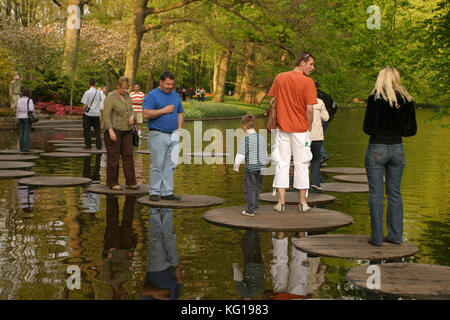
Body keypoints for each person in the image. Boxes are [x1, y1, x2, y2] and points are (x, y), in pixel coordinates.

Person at [363, 66, 417, 246]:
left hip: (377, 147)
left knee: (376, 193)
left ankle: (377, 238)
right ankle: (395, 235)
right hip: (397, 149)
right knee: (395, 193)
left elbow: (368, 128)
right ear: (396, 78)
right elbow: (411, 130)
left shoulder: (374, 98)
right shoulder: (407, 99)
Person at [268, 52, 317, 213]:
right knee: (301, 164)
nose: (312, 68)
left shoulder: (280, 77)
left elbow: (272, 101)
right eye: (311, 64)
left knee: (282, 164)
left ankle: (281, 203)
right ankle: (302, 203)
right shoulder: (308, 82)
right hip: (301, 129)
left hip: (282, 128)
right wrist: (309, 126)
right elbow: (309, 109)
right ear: (302, 63)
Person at [143, 71, 184, 202]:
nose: (170, 86)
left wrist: (179, 130)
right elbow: (146, 114)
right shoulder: (152, 95)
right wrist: (163, 110)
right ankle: (154, 191)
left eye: (172, 84)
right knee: (157, 164)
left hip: (173, 135)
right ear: (161, 82)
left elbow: (180, 113)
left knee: (170, 165)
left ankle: (167, 192)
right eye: (167, 84)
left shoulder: (176, 96)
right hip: (157, 134)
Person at [103, 76, 138, 191]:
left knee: (128, 155)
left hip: (127, 131)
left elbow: (131, 109)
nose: (125, 90)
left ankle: (131, 182)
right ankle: (113, 182)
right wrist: (110, 131)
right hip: (114, 130)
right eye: (123, 88)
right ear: (117, 86)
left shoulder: (127, 96)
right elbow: (106, 115)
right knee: (114, 157)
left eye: (127, 88)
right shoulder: (111, 97)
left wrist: (132, 116)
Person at [141, 207, 183, 300]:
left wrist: (158, 294)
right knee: (169, 236)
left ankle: (154, 208)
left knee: (157, 238)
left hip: (156, 269)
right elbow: (179, 283)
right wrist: (178, 274)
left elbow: (143, 291)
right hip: (173, 266)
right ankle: (167, 207)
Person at [234, 114, 267, 217]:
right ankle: (255, 207)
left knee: (249, 188)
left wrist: (236, 166)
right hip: (262, 167)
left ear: (244, 126)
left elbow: (240, 154)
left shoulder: (246, 139)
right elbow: (265, 153)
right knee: (257, 187)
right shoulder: (261, 137)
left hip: (251, 168)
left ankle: (250, 210)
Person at [232, 230, 264, 299]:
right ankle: (251, 228)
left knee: (256, 246)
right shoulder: (244, 293)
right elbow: (239, 280)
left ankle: (255, 230)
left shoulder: (258, 291)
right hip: (250, 266)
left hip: (259, 265)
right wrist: (235, 267)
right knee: (248, 244)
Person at [315, 82, 338, 164]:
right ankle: (320, 157)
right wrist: (331, 115)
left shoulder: (314, 96)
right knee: (321, 138)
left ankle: (322, 155)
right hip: (326, 119)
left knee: (315, 139)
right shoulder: (326, 95)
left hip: (317, 120)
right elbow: (335, 106)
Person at [309, 98, 329, 192]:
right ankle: (315, 182)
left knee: (301, 160)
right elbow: (326, 117)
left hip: (302, 136)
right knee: (315, 159)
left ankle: (301, 184)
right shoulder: (319, 102)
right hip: (316, 135)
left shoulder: (298, 99)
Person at [81, 78, 102, 149]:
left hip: (88, 114)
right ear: (95, 83)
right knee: (97, 131)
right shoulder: (99, 92)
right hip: (96, 114)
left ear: (88, 84)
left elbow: (84, 105)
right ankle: (99, 145)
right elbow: (99, 103)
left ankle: (88, 146)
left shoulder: (87, 92)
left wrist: (83, 112)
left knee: (87, 131)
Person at [16, 88, 34, 153]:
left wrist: (17, 117)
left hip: (20, 117)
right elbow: (31, 109)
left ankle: (21, 148)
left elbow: (17, 109)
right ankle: (26, 148)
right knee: (27, 133)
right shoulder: (29, 100)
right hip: (27, 117)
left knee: (21, 133)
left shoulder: (19, 100)